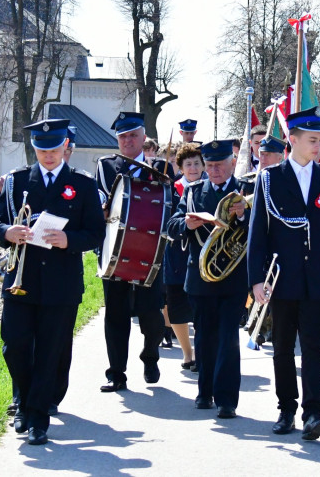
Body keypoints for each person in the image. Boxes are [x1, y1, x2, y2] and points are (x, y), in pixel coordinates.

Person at [0, 119, 106, 445]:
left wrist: (69, 240)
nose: (48, 156)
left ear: (65, 147)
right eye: (42, 149)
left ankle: (37, 418)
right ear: (35, 149)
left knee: (49, 353)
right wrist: (6, 233)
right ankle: (24, 402)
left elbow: (96, 232)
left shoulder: (81, 184)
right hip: (20, 281)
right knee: (15, 347)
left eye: (54, 149)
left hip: (61, 284)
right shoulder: (16, 182)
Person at [247, 107, 320, 441]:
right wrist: (257, 279)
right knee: (282, 348)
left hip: (318, 278)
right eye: (312, 140)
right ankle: (286, 408)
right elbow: (257, 234)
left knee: (313, 346)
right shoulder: (271, 178)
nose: (319, 146)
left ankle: (313, 411)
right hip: (283, 278)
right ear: (292, 139)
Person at [167, 140, 252, 419]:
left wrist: (244, 216)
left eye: (220, 164)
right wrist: (186, 224)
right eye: (210, 165)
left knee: (228, 337)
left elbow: (260, 232)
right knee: (205, 337)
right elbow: (172, 225)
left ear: (231, 163)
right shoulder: (192, 192)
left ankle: (227, 399)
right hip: (201, 277)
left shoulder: (245, 191)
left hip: (234, 278)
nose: (214, 170)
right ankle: (204, 392)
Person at [95, 111, 175, 393]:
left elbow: (171, 205)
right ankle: (116, 373)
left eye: (133, 135)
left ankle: (150, 356)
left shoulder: (162, 168)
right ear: (117, 139)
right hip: (115, 250)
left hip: (149, 253)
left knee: (152, 315)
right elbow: (102, 198)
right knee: (115, 315)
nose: (128, 140)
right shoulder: (107, 166)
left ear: (143, 137)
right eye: (123, 136)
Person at [163, 142, 204, 370]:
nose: (193, 168)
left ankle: (200, 350)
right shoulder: (171, 189)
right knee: (177, 306)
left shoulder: (209, 187)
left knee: (200, 306)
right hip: (177, 254)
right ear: (180, 167)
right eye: (188, 164)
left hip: (202, 255)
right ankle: (187, 353)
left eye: (197, 163)